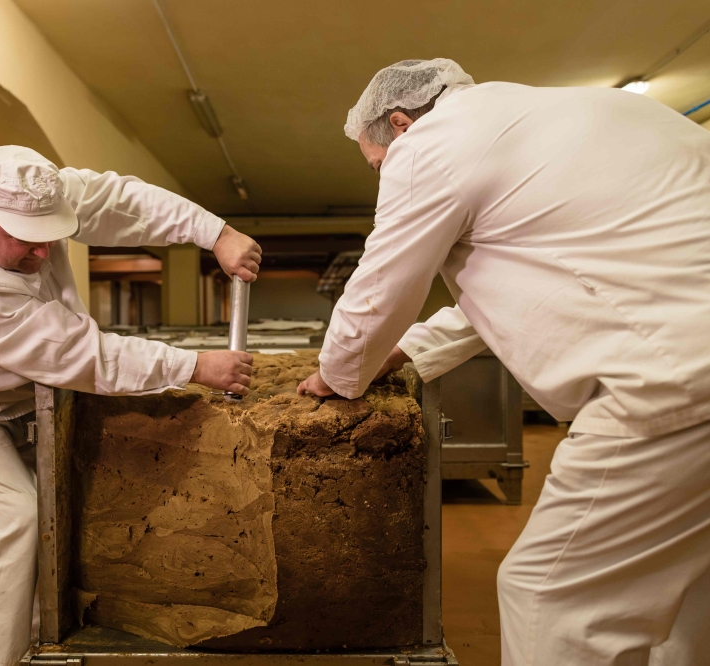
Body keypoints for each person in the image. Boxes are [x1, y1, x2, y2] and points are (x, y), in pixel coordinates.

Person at [297, 59, 710, 665]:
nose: (385, 176)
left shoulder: (430, 144)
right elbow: (547, 274)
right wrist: (407, 350)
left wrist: (338, 375)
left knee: (551, 598)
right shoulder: (614, 114)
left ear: (401, 123)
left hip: (672, 385)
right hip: (686, 359)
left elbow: (380, 285)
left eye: (378, 165)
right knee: (687, 598)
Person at [0, 145, 261, 666]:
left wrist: (216, 233)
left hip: (26, 388)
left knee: (57, 514)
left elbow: (120, 201)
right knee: (14, 519)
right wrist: (195, 366)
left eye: (48, 239)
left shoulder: (22, 192)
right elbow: (82, 354)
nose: (42, 255)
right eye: (25, 242)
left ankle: (38, 634)